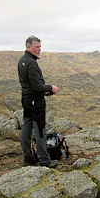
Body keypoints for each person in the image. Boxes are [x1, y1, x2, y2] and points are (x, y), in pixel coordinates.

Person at [18, 35, 59, 167]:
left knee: (26, 127)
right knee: (40, 130)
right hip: (36, 101)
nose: (39, 49)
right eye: (37, 47)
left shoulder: (22, 61)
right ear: (28, 47)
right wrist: (50, 88)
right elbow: (37, 87)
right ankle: (45, 160)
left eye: (40, 47)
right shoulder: (31, 63)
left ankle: (28, 158)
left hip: (26, 99)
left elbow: (30, 85)